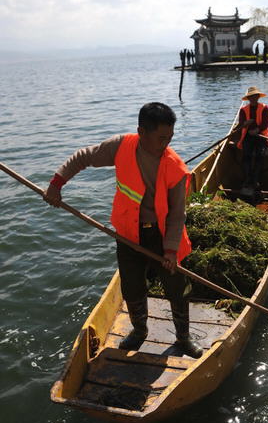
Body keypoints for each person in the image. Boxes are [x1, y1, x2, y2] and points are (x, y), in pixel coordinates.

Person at [43, 102, 203, 358]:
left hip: (163, 237)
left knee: (177, 287)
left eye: (169, 138)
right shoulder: (122, 146)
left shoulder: (174, 166)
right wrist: (57, 183)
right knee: (131, 287)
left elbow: (176, 214)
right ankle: (140, 331)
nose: (166, 144)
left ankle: (183, 338)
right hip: (129, 234)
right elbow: (84, 156)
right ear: (141, 132)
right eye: (161, 138)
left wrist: (171, 250)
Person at [237, 86, 268, 191]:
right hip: (247, 135)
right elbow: (241, 124)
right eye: (251, 97)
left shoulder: (264, 108)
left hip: (261, 135)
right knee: (246, 155)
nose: (253, 98)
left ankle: (255, 179)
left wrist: (257, 130)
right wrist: (246, 124)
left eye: (255, 96)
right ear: (248, 98)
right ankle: (248, 178)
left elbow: (265, 124)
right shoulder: (243, 110)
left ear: (258, 97)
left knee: (260, 155)